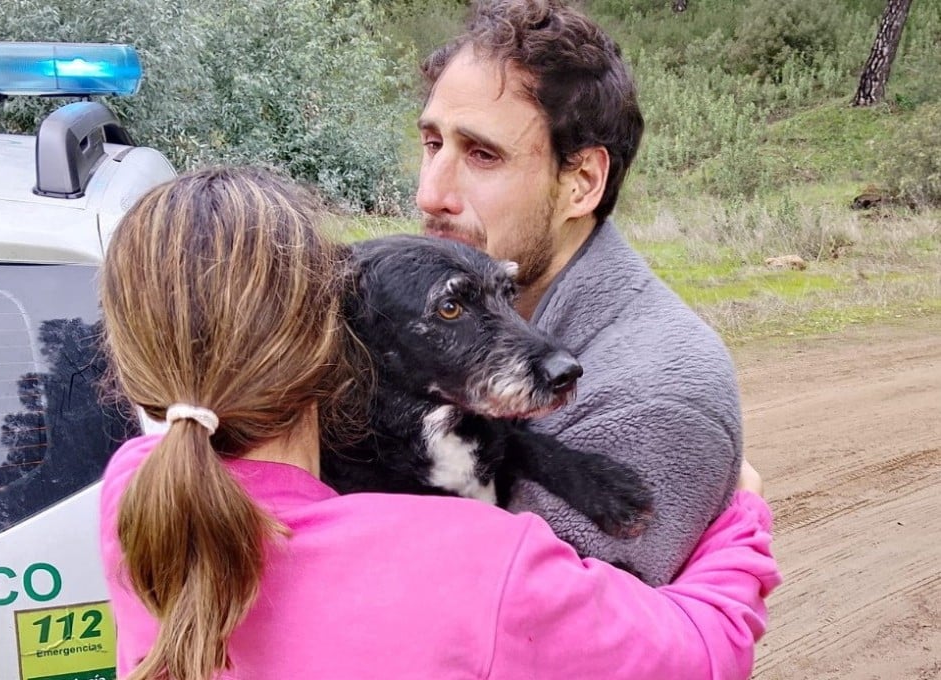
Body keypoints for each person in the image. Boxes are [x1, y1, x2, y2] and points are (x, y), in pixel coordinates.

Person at [98, 165, 780, 680]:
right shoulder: (474, 558)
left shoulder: (134, 498)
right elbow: (701, 652)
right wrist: (742, 513)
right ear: (333, 337)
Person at [417, 0, 743, 585]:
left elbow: (526, 638)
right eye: (433, 144)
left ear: (581, 183)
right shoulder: (436, 322)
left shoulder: (653, 398)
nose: (432, 194)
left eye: (482, 155)